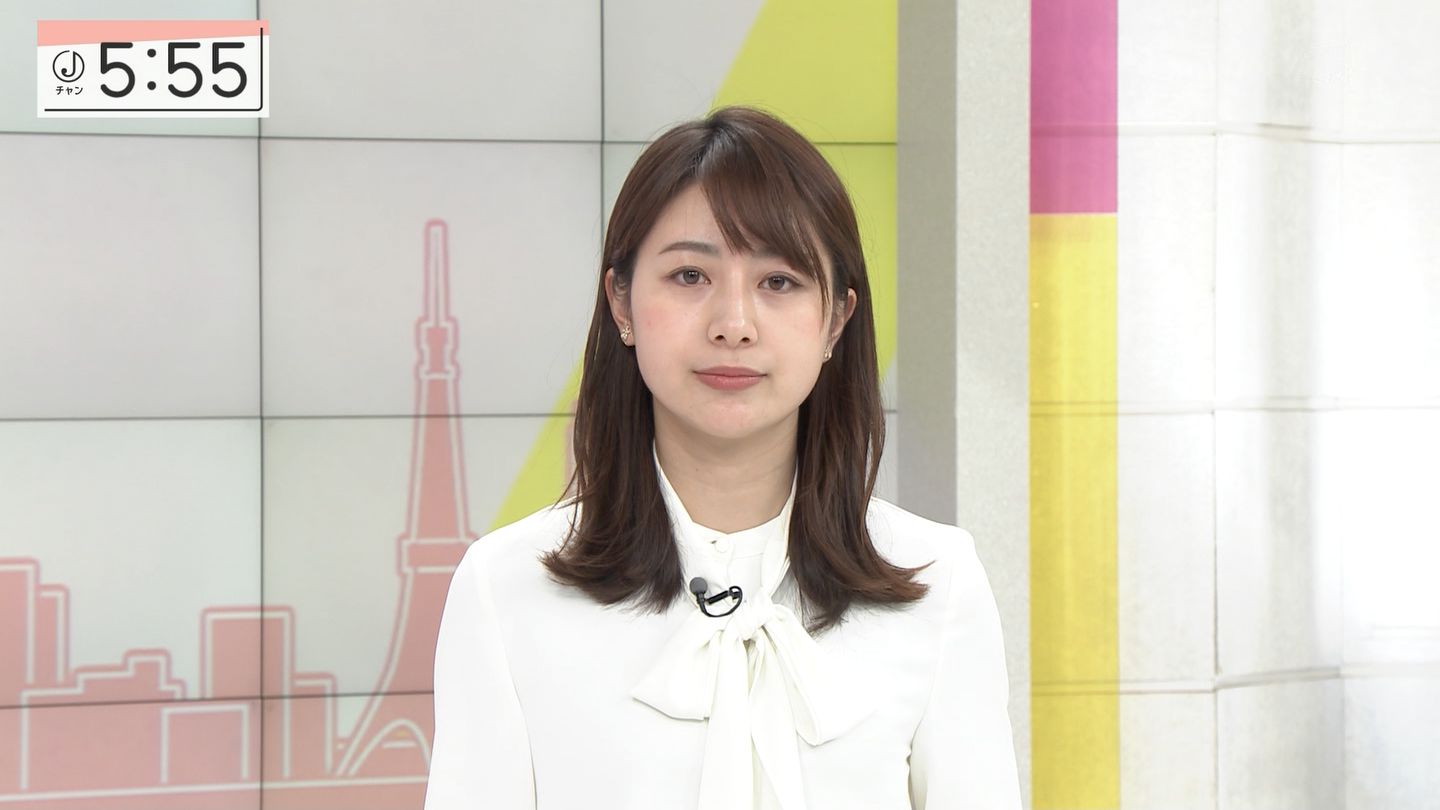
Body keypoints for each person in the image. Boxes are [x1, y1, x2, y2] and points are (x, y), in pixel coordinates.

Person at [423, 106, 1021, 810]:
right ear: (621, 303)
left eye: (779, 282)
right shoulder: (507, 589)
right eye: (689, 276)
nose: (733, 325)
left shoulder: (938, 583)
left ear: (836, 320)